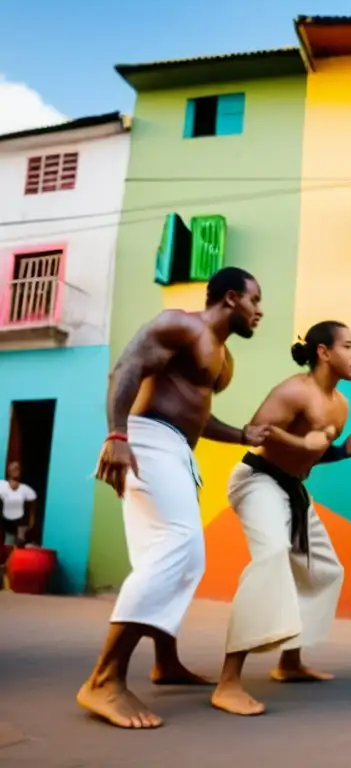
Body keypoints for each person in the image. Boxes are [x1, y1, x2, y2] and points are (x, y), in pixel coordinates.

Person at [79, 266, 272, 730]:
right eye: (255, 301)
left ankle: (165, 660)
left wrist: (241, 433)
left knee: (164, 556)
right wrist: (117, 434)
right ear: (231, 297)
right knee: (179, 545)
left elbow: (195, 415)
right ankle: (104, 680)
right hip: (145, 438)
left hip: (177, 450)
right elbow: (126, 369)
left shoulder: (222, 360)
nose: (260, 312)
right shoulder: (181, 325)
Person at [211, 320, 351, 716]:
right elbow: (256, 431)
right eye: (348, 346)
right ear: (323, 352)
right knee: (272, 558)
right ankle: (228, 682)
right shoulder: (294, 391)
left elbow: (311, 453)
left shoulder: (340, 403)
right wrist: (304, 441)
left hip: (293, 489)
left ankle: (289, 662)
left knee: (324, 570)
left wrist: (340, 453)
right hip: (257, 481)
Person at [1, 461, 36, 548]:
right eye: (13, 468)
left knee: (16, 546)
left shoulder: (26, 489)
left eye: (18, 468)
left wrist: (32, 521)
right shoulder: (2, 485)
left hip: (19, 524)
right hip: (5, 523)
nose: (16, 470)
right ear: (8, 471)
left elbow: (33, 506)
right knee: (8, 545)